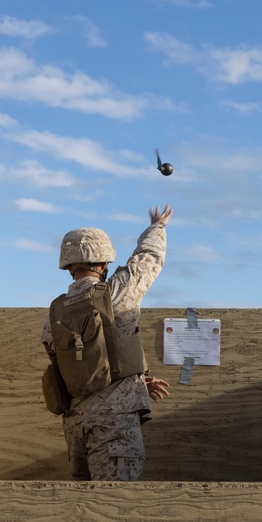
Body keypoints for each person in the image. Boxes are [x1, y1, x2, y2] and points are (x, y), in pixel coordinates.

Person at [42, 206, 172, 481]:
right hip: (115, 426)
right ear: (104, 264)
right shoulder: (118, 293)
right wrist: (157, 226)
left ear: (68, 266)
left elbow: (76, 365)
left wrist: (132, 380)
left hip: (76, 424)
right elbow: (148, 258)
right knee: (115, 506)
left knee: (83, 506)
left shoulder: (54, 314)